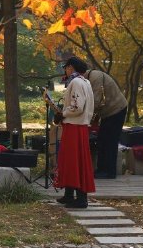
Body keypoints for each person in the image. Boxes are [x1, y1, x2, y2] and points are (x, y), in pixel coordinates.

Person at [55, 56, 95, 208]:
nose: (65, 70)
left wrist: (63, 113)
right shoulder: (85, 81)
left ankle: (80, 198)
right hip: (80, 125)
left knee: (74, 161)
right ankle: (69, 194)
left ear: (71, 67)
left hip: (75, 125)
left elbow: (77, 106)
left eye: (66, 67)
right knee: (71, 160)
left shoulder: (76, 82)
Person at [84, 68, 128, 179]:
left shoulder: (95, 77)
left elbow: (96, 101)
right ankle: (102, 169)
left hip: (116, 110)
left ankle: (109, 172)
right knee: (102, 140)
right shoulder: (91, 77)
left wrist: (85, 117)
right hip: (109, 113)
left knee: (110, 141)